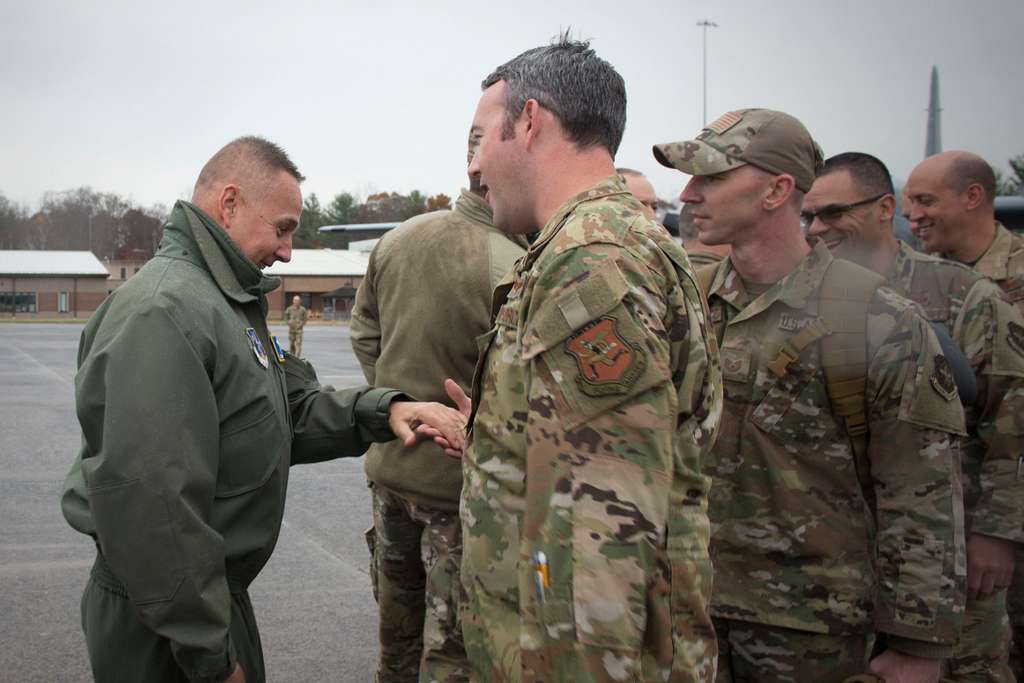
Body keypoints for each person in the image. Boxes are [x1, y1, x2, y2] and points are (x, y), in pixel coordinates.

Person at [60, 136, 467, 683]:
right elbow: (154, 510)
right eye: (282, 228)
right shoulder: (164, 312)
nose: (288, 251)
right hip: (165, 620)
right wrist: (209, 656)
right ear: (229, 204)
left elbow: (278, 416)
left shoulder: (218, 301)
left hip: (197, 604)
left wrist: (382, 411)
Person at [654, 109, 966, 683]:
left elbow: (919, 492)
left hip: (813, 628)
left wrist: (920, 645)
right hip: (685, 610)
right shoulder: (683, 303)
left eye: (712, 178)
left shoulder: (877, 318)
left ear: (777, 191)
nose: (689, 194)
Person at [451, 37, 722, 681]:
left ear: (530, 120)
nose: (473, 166)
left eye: (480, 137)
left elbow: (597, 530)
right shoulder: (597, 242)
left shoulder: (591, 258)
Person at [806, 152, 1024, 682]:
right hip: (844, 554)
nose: (817, 228)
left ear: (884, 209)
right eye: (809, 216)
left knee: (968, 668)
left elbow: (1010, 417)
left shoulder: (963, 294)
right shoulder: (804, 294)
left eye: (834, 212)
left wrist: (997, 533)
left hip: (951, 547)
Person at [349, 132, 528, 682]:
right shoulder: (517, 261)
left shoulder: (397, 240)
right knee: (454, 654)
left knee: (396, 640)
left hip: (392, 467)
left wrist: (398, 401)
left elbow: (363, 333)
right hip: (459, 489)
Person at [906, 150, 1024, 680]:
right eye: (909, 203)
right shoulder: (920, 282)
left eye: (926, 201)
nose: (914, 216)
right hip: (949, 523)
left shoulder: (1014, 276)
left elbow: (1014, 417)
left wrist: (1000, 531)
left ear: (973, 197)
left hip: (999, 511)